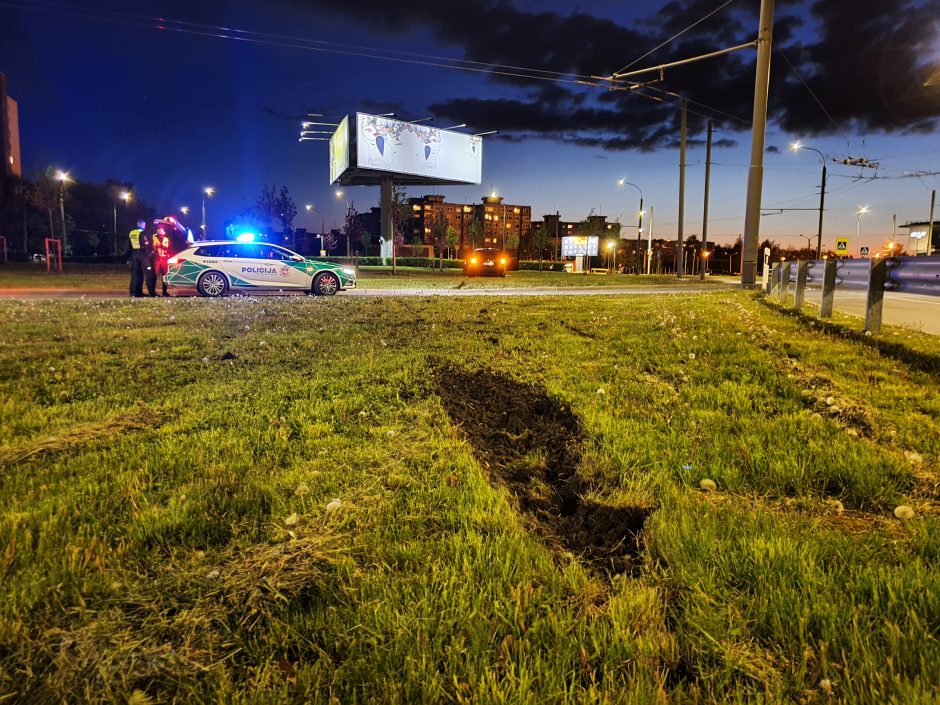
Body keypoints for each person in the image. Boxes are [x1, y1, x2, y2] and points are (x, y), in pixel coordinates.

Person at [127, 220, 156, 297]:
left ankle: (134, 293)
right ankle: (152, 293)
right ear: (142, 224)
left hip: (134, 255)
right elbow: (146, 243)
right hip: (143, 254)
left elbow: (129, 246)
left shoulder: (132, 233)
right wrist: (151, 252)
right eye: (144, 225)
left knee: (135, 275)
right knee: (149, 274)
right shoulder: (143, 233)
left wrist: (128, 258)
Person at [153, 226, 170, 296]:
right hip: (156, 259)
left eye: (161, 231)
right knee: (154, 276)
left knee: (164, 276)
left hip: (164, 259)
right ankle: (153, 291)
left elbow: (166, 247)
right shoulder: (154, 238)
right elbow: (154, 247)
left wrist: (159, 245)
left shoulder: (166, 239)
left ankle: (164, 291)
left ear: (164, 232)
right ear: (157, 232)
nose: (160, 233)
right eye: (158, 231)